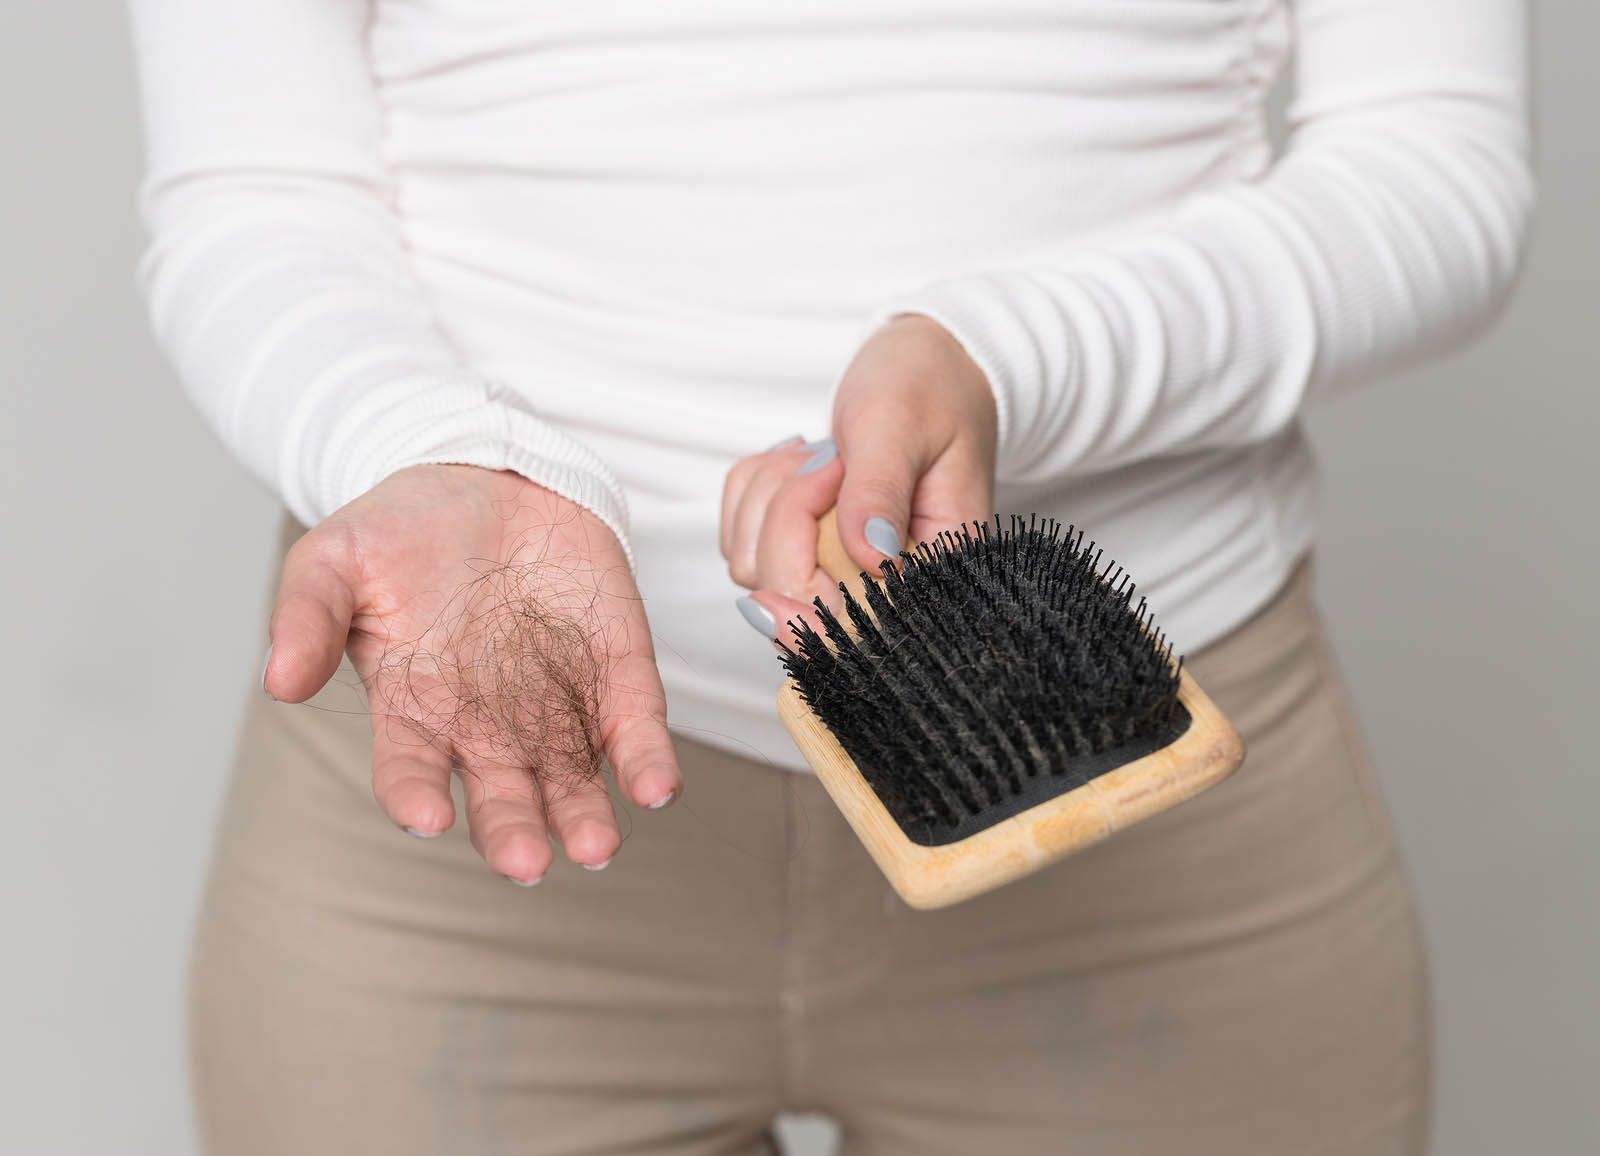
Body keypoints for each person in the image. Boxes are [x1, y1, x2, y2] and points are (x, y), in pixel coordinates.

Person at [129, 1, 1532, 1152]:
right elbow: (259, 186)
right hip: (469, 785)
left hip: (1144, 809)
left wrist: (1009, 356)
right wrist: (432, 448)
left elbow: (1431, 167)